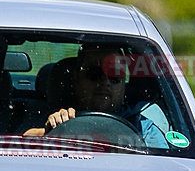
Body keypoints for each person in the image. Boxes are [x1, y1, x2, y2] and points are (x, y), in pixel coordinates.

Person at [24, 44, 170, 148]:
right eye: (94, 74)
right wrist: (51, 132)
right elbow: (21, 143)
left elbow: (161, 169)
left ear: (124, 84)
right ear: (76, 79)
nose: (105, 82)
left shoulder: (143, 128)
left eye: (114, 75)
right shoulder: (51, 118)